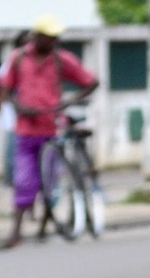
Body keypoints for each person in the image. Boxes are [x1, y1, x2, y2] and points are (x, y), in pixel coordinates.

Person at [1, 16, 96, 248]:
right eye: (49, 37)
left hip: (53, 130)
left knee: (49, 181)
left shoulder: (62, 60)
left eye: (55, 37)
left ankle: (46, 225)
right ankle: (16, 232)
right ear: (37, 37)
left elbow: (91, 82)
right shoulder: (19, 58)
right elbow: (6, 88)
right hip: (25, 130)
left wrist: (68, 102)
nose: (53, 41)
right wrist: (18, 106)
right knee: (24, 181)